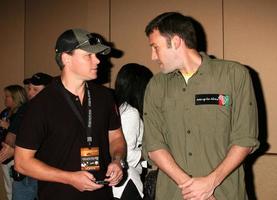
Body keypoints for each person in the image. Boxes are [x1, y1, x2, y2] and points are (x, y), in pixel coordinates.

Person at [142, 12, 260, 200]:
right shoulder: (156, 86)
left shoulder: (234, 75)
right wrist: (193, 190)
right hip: (173, 194)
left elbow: (245, 139)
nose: (152, 56)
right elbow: (154, 145)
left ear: (176, 41)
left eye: (155, 47)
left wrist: (211, 182)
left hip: (224, 194)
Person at [14, 28, 127, 200]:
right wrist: (69, 178)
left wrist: (118, 161)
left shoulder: (105, 96)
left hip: (102, 195)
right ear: (66, 58)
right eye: (88, 56)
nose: (97, 61)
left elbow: (116, 138)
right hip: (59, 195)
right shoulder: (41, 104)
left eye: (96, 55)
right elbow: (22, 163)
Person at [9, 72, 53, 200]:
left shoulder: (56, 111)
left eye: (35, 89)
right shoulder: (25, 109)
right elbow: (11, 136)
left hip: (48, 172)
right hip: (24, 174)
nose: (30, 93)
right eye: (29, 88)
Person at [113, 63, 153, 200]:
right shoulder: (131, 113)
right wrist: (149, 154)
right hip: (127, 182)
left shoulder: (118, 109)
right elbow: (126, 154)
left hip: (119, 184)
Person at [0, 85, 28, 200]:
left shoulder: (23, 113)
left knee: (18, 189)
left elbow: (27, 135)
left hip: (16, 157)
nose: (5, 99)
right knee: (8, 188)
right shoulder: (5, 112)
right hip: (4, 156)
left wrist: (8, 127)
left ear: (16, 98)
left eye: (8, 96)